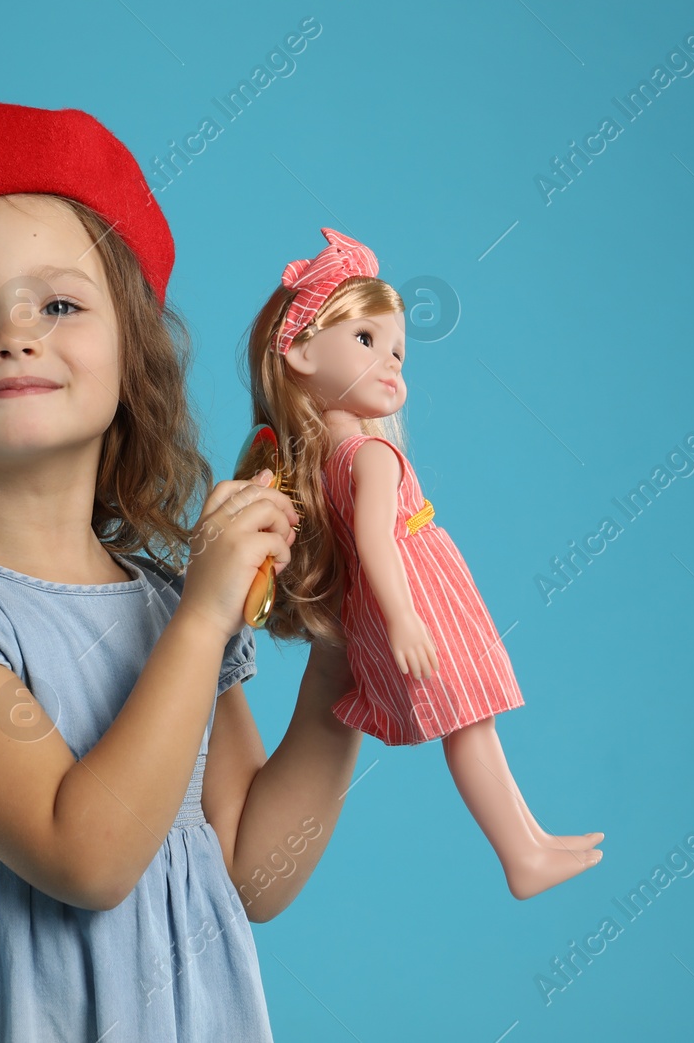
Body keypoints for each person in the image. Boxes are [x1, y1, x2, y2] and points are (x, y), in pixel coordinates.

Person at [0, 102, 364, 1041]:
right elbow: (86, 855)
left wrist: (340, 663)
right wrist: (205, 618)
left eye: (59, 303)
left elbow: (254, 870)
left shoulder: (164, 600)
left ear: (129, 355)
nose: (15, 334)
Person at [234, 226, 604, 900]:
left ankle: (529, 837)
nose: (392, 360)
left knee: (475, 720)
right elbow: (374, 541)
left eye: (398, 347)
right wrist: (403, 619)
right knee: (470, 721)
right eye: (367, 341)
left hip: (415, 593)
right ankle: (521, 849)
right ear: (302, 351)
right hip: (420, 598)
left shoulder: (329, 460)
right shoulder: (369, 456)